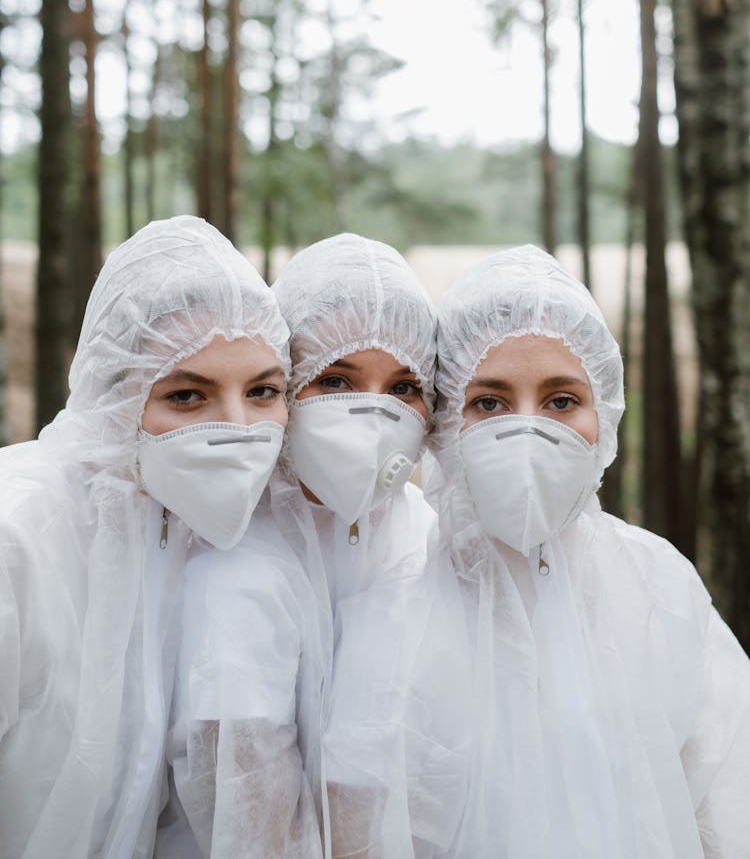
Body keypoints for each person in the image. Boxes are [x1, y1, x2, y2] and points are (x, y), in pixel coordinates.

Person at [426, 244, 750, 859]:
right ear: (444, 424)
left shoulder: (658, 585)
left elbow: (729, 796)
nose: (526, 429)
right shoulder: (402, 596)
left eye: (561, 400)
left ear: (605, 417)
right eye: (489, 402)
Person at [0, 215, 301, 858]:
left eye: (263, 391)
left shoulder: (201, 536)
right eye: (189, 396)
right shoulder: (18, 534)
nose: (237, 427)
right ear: (116, 394)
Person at [272, 233, 471, 859]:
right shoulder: (225, 549)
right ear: (280, 384)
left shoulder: (431, 538)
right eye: (334, 380)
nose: (375, 414)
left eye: (404, 387)